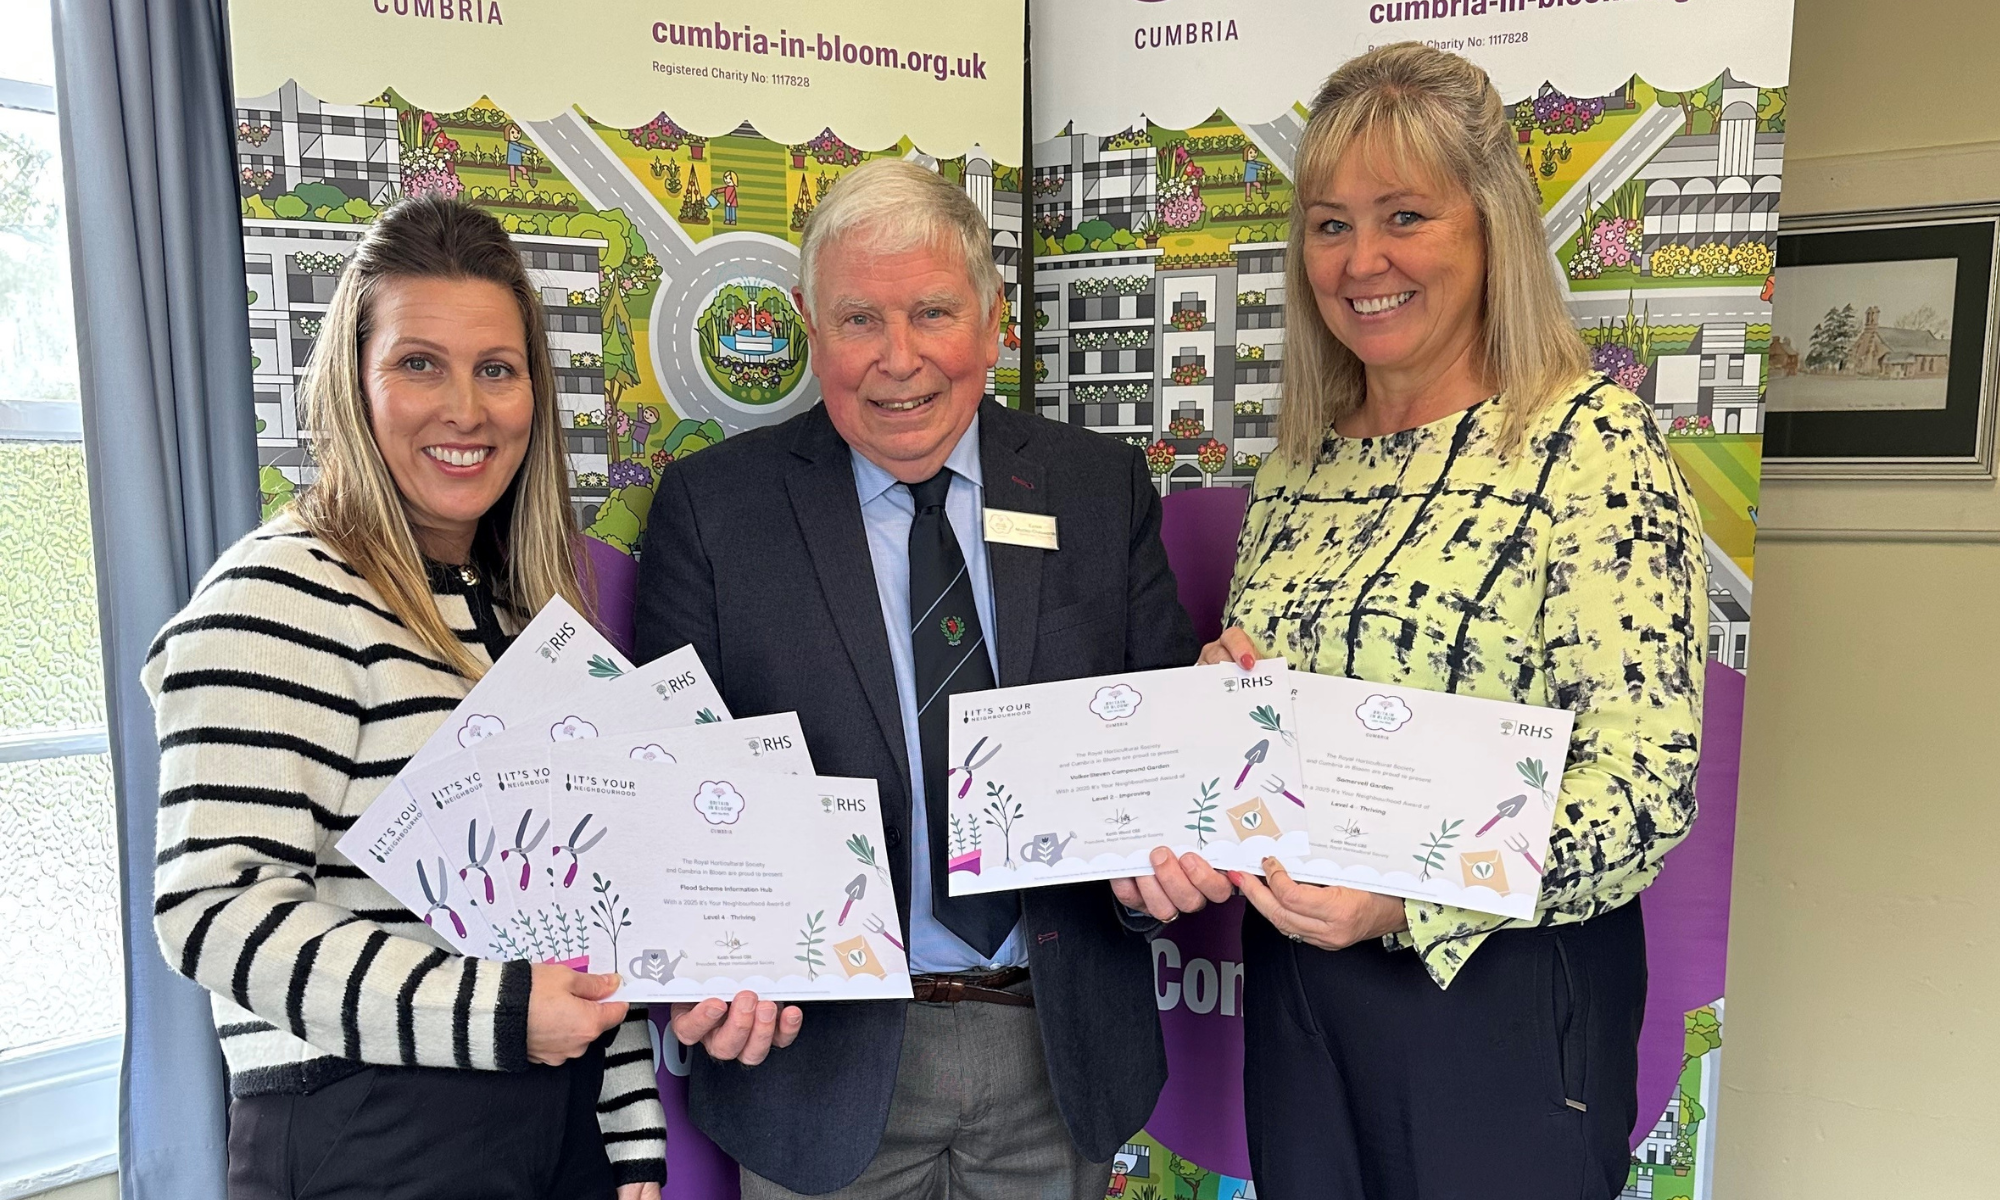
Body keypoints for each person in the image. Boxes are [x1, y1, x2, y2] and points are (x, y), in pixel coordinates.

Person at [1123, 43, 1709, 1200]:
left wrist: (1409, 899)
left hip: (1500, 1000)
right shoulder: (1298, 464)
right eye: (1330, 224)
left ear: (1488, 228)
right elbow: (1280, 720)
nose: (1362, 261)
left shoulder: (1587, 446)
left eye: (1403, 216)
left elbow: (1647, 788)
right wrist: (1222, 704)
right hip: (1298, 992)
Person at [635, 158, 1198, 1199]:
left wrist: (1167, 860)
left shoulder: (1094, 487)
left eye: (932, 313)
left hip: (1055, 1052)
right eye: (858, 321)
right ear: (810, 326)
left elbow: (1157, 755)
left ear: (991, 323)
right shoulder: (716, 512)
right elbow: (669, 792)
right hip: (820, 1065)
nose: (898, 361)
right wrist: (703, 954)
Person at [143, 196, 665, 1200]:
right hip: (369, 1133)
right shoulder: (278, 594)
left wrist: (625, 1140)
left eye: (496, 370)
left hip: (553, 1125)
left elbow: (584, 909)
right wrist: (500, 1014)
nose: (465, 409)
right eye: (418, 363)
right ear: (352, 381)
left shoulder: (523, 614)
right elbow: (208, 908)